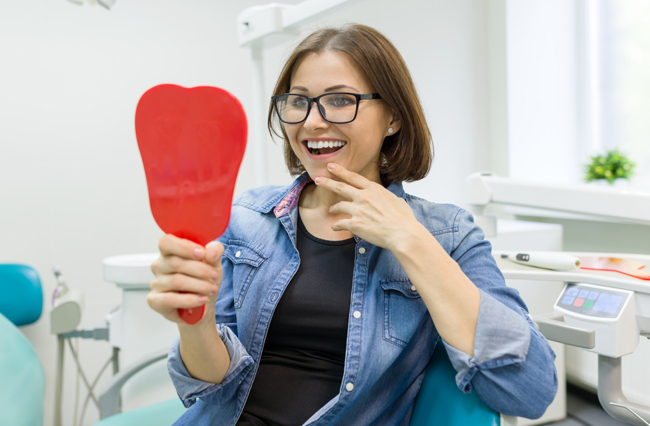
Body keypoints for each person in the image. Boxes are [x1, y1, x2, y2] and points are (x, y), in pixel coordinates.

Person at [147, 24, 558, 426]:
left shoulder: (447, 234)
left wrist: (410, 239)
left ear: (393, 117)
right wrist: (197, 323)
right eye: (298, 101)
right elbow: (210, 388)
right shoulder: (246, 220)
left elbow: (530, 390)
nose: (311, 123)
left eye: (341, 100)